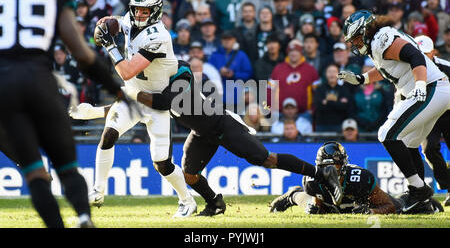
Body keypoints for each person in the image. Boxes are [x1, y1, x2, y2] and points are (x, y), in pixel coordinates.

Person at [70, 60, 344, 216]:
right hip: (200, 132)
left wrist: (129, 92)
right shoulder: (150, 82)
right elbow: (134, 105)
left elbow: (163, 101)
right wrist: (94, 111)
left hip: (220, 124)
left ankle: (320, 173)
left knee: (266, 159)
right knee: (188, 176)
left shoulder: (181, 71)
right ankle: (215, 203)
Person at [0, 0, 131, 228]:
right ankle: (83, 217)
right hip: (39, 80)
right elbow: (81, 52)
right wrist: (115, 87)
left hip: (4, 88)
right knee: (67, 166)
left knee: (35, 173)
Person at [91, 0, 197, 217]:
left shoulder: (159, 36)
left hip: (155, 100)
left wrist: (110, 45)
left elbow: (127, 71)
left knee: (162, 164)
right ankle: (97, 191)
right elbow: (117, 23)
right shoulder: (131, 18)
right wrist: (104, 26)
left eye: (144, 11)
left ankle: (187, 200)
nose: (139, 15)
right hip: (132, 95)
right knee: (108, 135)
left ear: (156, 12)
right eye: (136, 10)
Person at [337, 10, 450, 213]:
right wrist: (361, 79)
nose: (354, 44)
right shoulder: (378, 43)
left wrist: (421, 84)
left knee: (387, 134)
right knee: (408, 142)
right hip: (434, 89)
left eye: (355, 38)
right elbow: (387, 69)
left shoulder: (382, 38)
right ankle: (421, 201)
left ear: (365, 30)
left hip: (432, 88)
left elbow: (415, 56)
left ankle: (419, 190)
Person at [270, 141, 443, 214]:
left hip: (362, 202)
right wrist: (315, 205)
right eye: (325, 167)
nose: (331, 172)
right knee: (315, 211)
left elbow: (388, 206)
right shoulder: (312, 180)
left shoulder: (360, 178)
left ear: (344, 166)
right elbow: (320, 203)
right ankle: (294, 195)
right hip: (337, 205)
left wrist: (371, 211)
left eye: (335, 167)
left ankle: (426, 202)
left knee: (400, 209)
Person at [414, 35, 450, 206]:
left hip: (449, 113)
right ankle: (449, 186)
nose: (422, 58)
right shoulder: (410, 70)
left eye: (425, 54)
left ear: (433, 52)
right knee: (429, 150)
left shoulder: (447, 67)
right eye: (418, 54)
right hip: (429, 115)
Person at [314, 63, 354, 132]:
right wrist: (338, 102)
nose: (332, 74)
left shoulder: (344, 89)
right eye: (329, 72)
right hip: (322, 125)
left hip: (339, 125)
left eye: (334, 72)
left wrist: (327, 102)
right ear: (325, 74)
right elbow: (318, 107)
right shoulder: (320, 89)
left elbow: (346, 107)